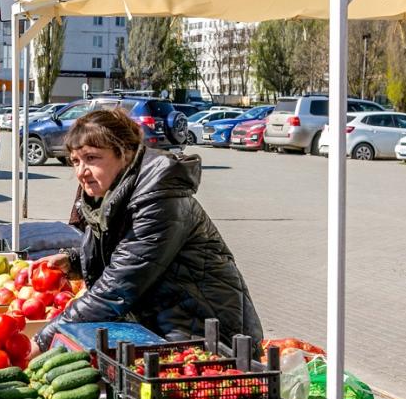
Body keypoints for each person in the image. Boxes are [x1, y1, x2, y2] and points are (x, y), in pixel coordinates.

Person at [32, 109, 263, 352]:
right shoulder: (110, 194)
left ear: (124, 152)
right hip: (163, 330)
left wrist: (41, 340)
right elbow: (127, 252)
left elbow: (117, 286)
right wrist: (73, 261)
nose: (81, 172)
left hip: (204, 337)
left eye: (92, 158)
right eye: (75, 161)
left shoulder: (159, 198)